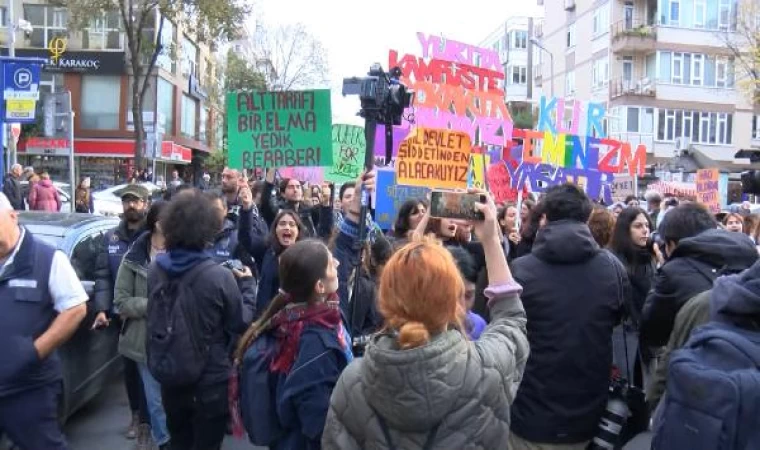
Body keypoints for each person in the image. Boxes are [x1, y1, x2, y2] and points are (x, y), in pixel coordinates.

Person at [322, 190, 529, 449]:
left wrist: (414, 256)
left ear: (385, 299)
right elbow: (511, 318)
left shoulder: (353, 383)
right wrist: (490, 239)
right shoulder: (488, 370)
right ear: (456, 300)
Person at [509, 183, 625, 449]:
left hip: (530, 414)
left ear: (544, 219)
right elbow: (618, 319)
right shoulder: (612, 269)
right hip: (589, 415)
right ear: (586, 218)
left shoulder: (520, 271)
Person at [149, 189, 247, 450]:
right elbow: (238, 323)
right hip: (210, 381)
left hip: (171, 375)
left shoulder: (155, 270)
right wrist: (247, 288)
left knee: (179, 441)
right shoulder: (220, 277)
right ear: (207, 231)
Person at [235, 238, 352, 450]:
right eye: (330, 263)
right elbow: (317, 424)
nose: (337, 263)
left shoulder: (292, 315)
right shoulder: (316, 343)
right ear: (319, 286)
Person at [0, 192, 88, 449]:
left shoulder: (48, 259)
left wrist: (32, 352)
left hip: (29, 388)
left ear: (13, 216)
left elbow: (75, 309)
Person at [641, 203, 758, 349]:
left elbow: (651, 330)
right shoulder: (750, 254)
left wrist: (665, 267)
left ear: (671, 243)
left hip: (698, 358)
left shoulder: (672, 273)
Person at [94, 183, 151, 439]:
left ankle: (152, 418)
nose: (131, 205)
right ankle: (136, 415)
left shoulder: (153, 237)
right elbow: (103, 275)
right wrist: (102, 308)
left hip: (150, 314)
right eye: (127, 201)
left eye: (136, 201)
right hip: (124, 315)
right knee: (130, 368)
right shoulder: (111, 239)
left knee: (150, 368)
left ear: (145, 204)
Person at [114, 201, 170, 450]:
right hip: (143, 341)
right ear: (158, 222)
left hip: (178, 341)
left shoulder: (182, 252)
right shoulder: (134, 257)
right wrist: (152, 306)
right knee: (155, 400)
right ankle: (164, 442)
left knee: (175, 399)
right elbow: (121, 301)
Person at [205, 191, 258, 323]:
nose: (211, 213)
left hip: (227, 309)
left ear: (225, 210)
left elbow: (249, 274)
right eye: (207, 209)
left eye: (216, 209)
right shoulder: (194, 237)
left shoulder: (236, 238)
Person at [260, 169, 334, 238]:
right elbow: (265, 200)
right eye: (291, 187)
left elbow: (326, 229)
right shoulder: (277, 211)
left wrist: (326, 200)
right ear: (283, 193)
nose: (295, 190)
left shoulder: (309, 212)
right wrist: (272, 169)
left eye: (298, 187)